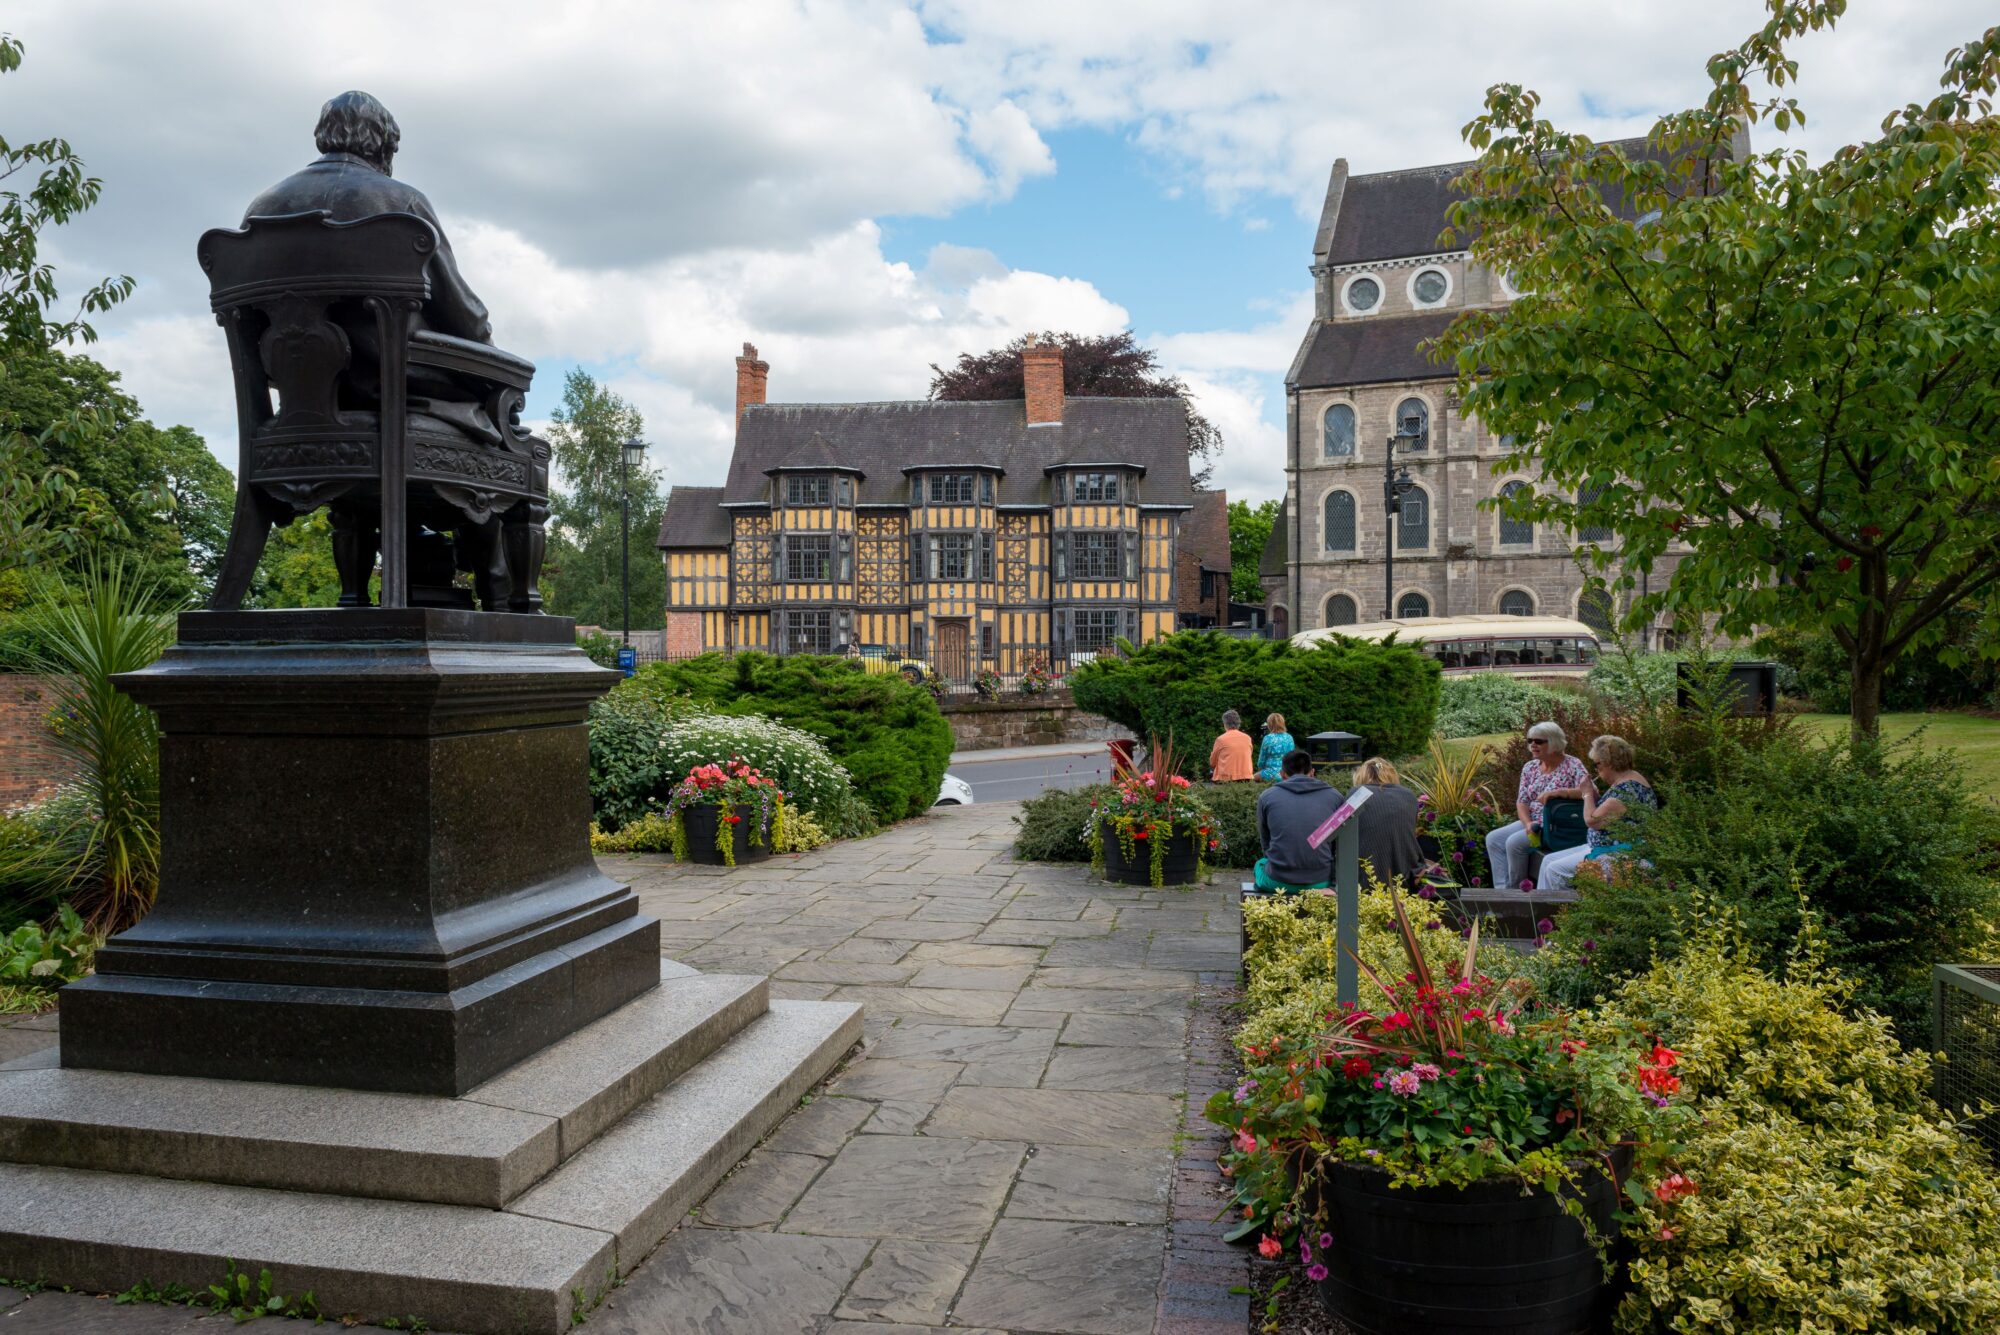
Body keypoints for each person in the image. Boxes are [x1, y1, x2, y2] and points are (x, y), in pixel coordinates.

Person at [244, 91, 499, 443]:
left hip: (296, 406)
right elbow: (461, 311)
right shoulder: (402, 203)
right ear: (382, 144)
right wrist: (497, 369)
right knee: (510, 427)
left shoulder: (261, 209)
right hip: (396, 394)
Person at [1537, 735, 1658, 891]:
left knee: (1555, 870)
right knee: (1547, 860)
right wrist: (1593, 797)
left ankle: (1561, 912)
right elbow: (1608, 813)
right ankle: (1540, 909)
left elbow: (1592, 821)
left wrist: (1587, 793)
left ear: (1609, 763)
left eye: (1597, 764)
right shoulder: (1627, 779)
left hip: (1620, 851)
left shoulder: (1627, 791)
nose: (1596, 769)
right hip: (1606, 845)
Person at [1483, 721, 1589, 890]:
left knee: (1514, 843)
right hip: (1533, 822)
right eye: (1530, 740)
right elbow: (1522, 801)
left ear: (1554, 742)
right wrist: (1527, 824)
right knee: (1494, 839)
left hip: (1556, 826)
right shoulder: (1530, 767)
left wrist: (1561, 792)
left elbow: (1592, 792)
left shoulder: (1573, 765)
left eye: (1539, 741)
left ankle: (1516, 894)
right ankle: (1501, 891)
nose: (1533, 744)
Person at [1254, 750, 1346, 891]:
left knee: (1260, 864)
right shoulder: (1335, 796)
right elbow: (1338, 844)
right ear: (1312, 772)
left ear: (1282, 774)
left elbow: (1265, 843)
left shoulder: (1267, 797)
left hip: (1279, 881)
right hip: (1321, 881)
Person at [1349, 757, 1424, 890]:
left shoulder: (1357, 794)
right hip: (1406, 876)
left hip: (1367, 879)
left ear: (1361, 775)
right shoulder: (1409, 796)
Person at [1209, 710, 1254, 782]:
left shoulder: (1221, 739)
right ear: (1239, 723)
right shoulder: (1247, 738)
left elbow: (1212, 762)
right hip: (1246, 777)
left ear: (1225, 724)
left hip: (1226, 779)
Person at [1255, 712, 1296, 781]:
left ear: (1270, 724)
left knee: (1253, 778)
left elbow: (1261, 762)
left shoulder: (1268, 738)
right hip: (1286, 774)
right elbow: (1293, 758)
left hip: (1270, 774)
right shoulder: (1289, 737)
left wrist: (1261, 770)